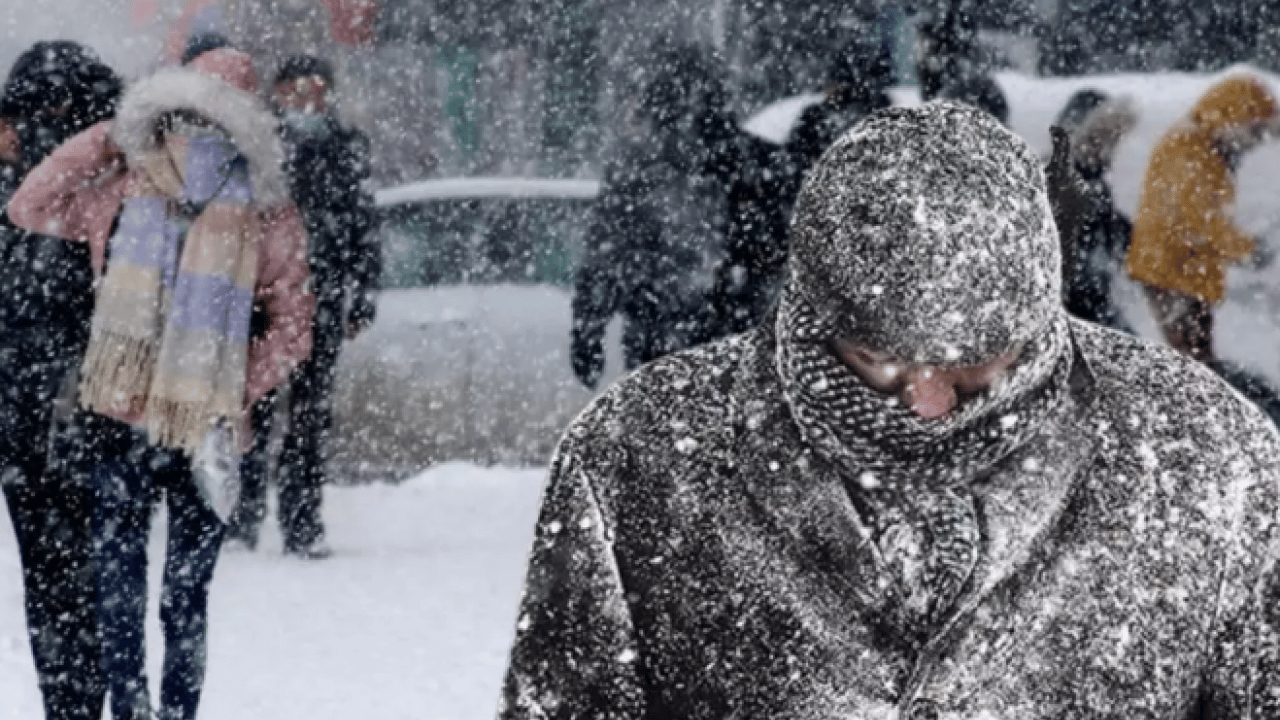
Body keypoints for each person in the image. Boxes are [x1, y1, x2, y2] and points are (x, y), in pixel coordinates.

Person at [497, 104, 1280, 718]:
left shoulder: (1207, 457)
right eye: (877, 360)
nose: (929, 404)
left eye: (975, 364)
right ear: (811, 315)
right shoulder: (640, 456)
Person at [7, 46, 313, 720]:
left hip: (151, 425)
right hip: (171, 427)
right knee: (174, 595)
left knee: (138, 588)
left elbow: (29, 204)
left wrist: (110, 136)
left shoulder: (143, 184)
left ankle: (144, 707)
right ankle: (160, 710)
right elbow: (295, 330)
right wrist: (230, 389)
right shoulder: (244, 206)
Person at [0, 40, 121, 720]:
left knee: (71, 582)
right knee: (64, 581)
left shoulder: (102, 188)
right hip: (47, 425)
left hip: (77, 417)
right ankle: (71, 704)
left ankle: (77, 704)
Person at [223, 53, 378, 558]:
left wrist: (363, 295)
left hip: (322, 297)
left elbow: (363, 224)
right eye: (295, 89)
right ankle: (243, 514)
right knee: (254, 410)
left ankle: (302, 521)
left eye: (316, 88)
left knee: (309, 417)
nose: (306, 99)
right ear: (279, 92)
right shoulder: (257, 145)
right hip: (263, 299)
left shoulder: (346, 148)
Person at [570, 43, 729, 388]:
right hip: (722, 334)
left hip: (658, 331)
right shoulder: (740, 162)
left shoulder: (637, 168)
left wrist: (588, 328)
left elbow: (606, 253)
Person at [1126, 74, 1280, 364]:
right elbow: (1200, 219)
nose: (1256, 143)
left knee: (1195, 362)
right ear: (1233, 118)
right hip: (1171, 269)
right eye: (1254, 133)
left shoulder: (1208, 147)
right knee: (1191, 367)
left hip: (1184, 268)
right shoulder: (1189, 149)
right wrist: (1246, 249)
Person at [1053, 88, 1139, 333]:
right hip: (1072, 319)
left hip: (1092, 314)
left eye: (1112, 139)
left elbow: (1106, 229)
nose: (1106, 147)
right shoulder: (1061, 183)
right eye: (1098, 138)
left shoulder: (1093, 180)